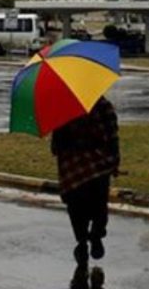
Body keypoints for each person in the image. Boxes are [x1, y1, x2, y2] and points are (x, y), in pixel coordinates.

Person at [50, 95, 120, 266]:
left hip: (73, 171)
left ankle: (81, 242)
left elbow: (55, 147)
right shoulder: (104, 106)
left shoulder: (63, 109)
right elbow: (113, 137)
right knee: (99, 205)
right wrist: (115, 161)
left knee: (76, 210)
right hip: (98, 166)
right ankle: (96, 234)